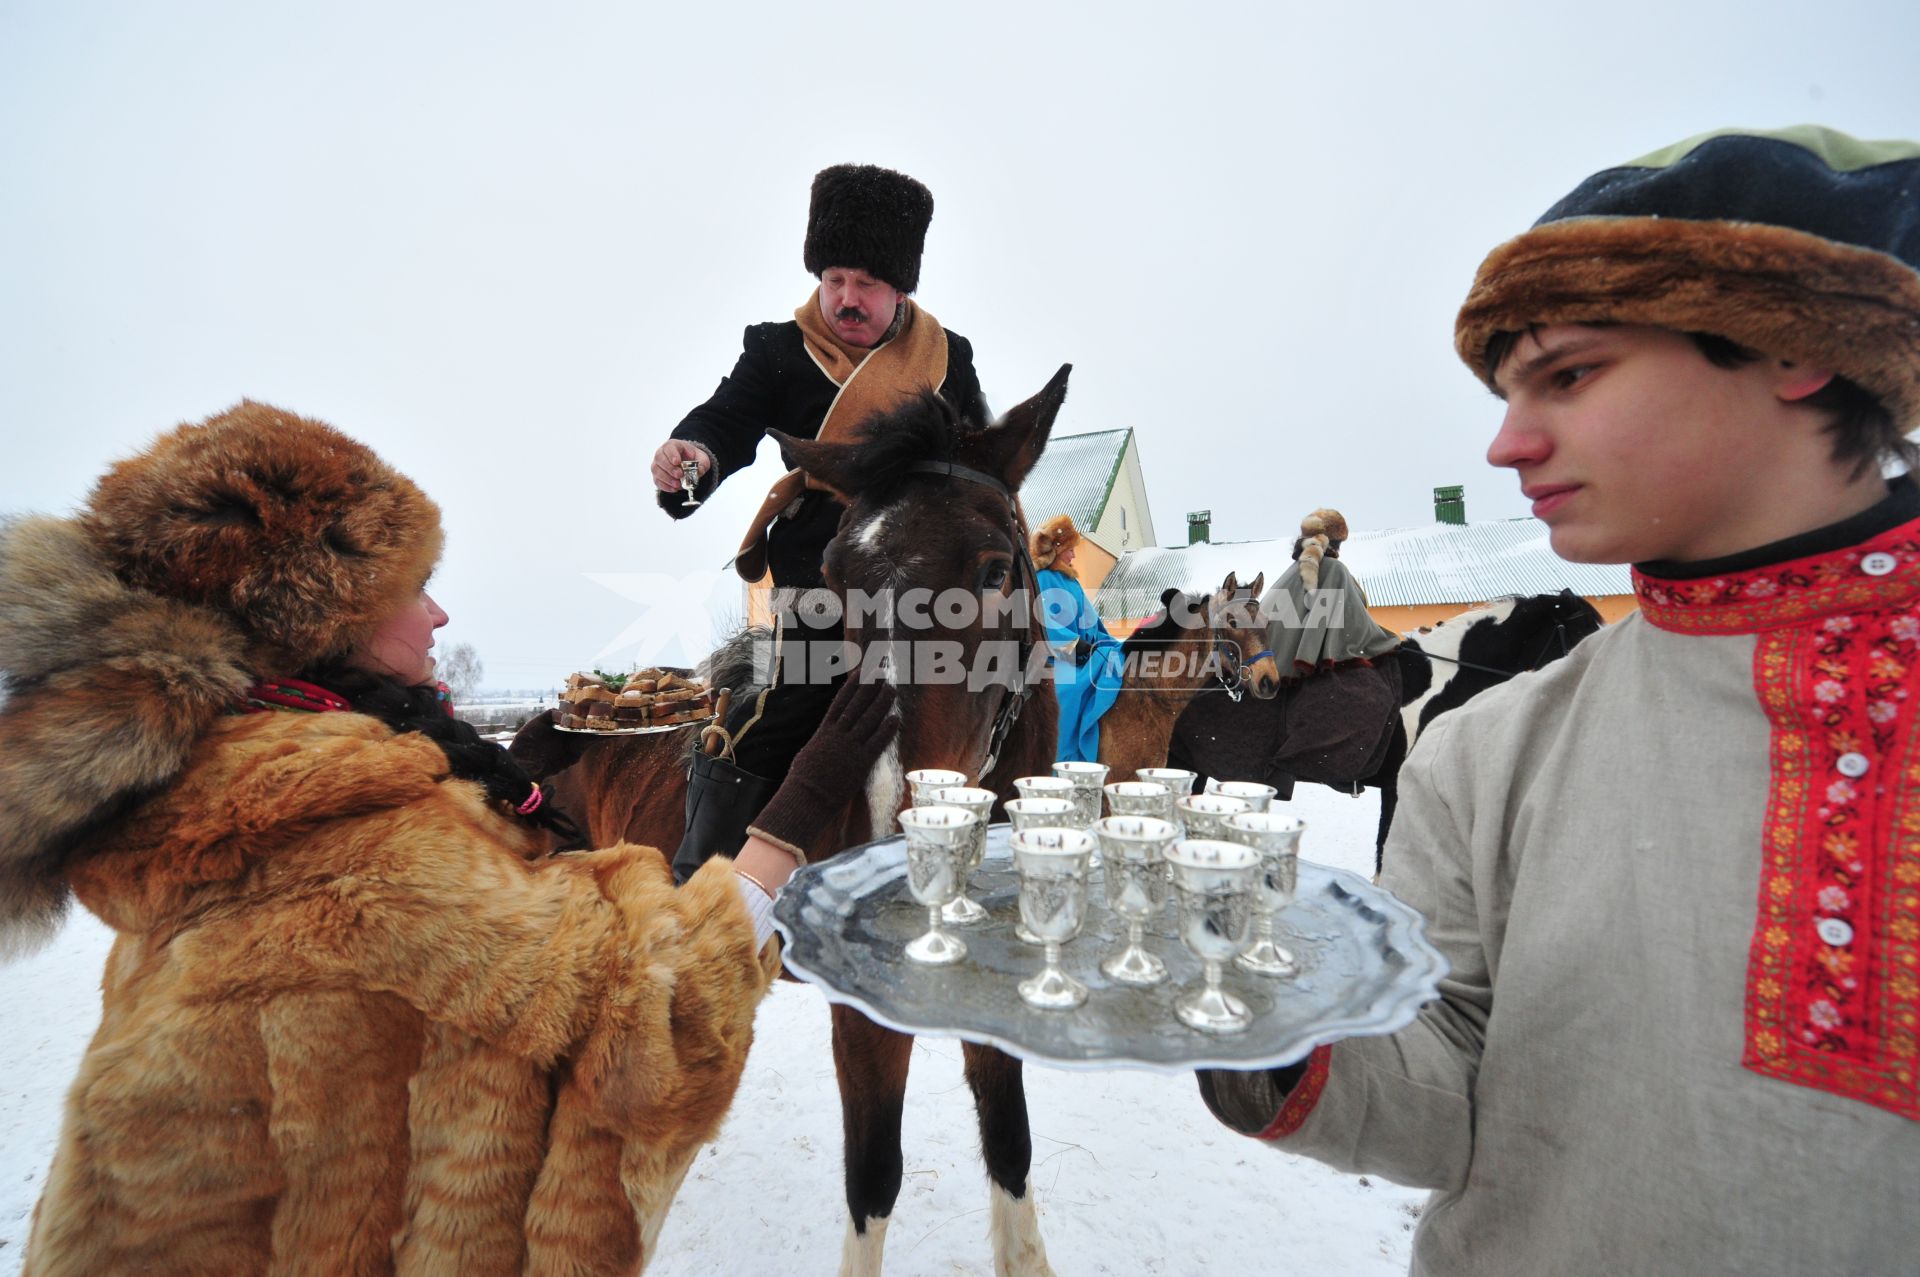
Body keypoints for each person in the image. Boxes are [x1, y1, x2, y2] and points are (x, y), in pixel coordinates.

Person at [1198, 126, 1920, 1274]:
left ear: (1797, 345)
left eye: (1570, 374)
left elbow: (1345, 625)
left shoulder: (1346, 591)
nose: (1505, 442)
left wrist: (1347, 647)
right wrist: (1252, 1009)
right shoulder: (1483, 752)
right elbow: (1447, 1083)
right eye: (1504, 391)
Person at [0, 400, 897, 1275]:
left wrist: (520, 806)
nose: (440, 617)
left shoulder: (220, 792)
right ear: (322, 615)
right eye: (414, 587)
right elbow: (655, 1032)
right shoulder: (362, 850)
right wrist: (790, 817)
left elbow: (459, 981)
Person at [648, 163, 987, 882]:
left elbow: (982, 465)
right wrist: (695, 453)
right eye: (834, 278)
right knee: (767, 719)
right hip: (818, 587)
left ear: (900, 289)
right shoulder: (776, 349)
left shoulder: (946, 359)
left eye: (865, 283)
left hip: (926, 598)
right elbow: (727, 421)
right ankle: (699, 875)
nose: (845, 299)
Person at [1031, 514, 1125, 762]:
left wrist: (1107, 643)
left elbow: (1092, 621)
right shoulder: (1043, 580)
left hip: (1084, 654)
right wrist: (1075, 646)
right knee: (1069, 692)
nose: (1073, 556)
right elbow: (1046, 625)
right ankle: (1061, 758)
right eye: (1070, 550)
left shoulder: (1071, 581)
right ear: (1057, 550)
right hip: (1059, 661)